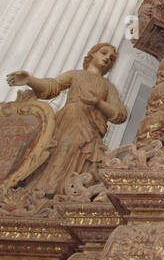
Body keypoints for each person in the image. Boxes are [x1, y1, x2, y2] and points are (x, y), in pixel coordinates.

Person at [6, 43, 127, 193]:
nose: (108, 57)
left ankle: (63, 195)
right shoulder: (75, 75)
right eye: (104, 53)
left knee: (81, 161)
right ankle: (40, 194)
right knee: (58, 152)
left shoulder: (109, 87)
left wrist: (98, 103)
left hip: (91, 131)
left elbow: (119, 114)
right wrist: (30, 80)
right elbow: (52, 87)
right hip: (68, 121)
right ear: (92, 54)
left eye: (112, 58)